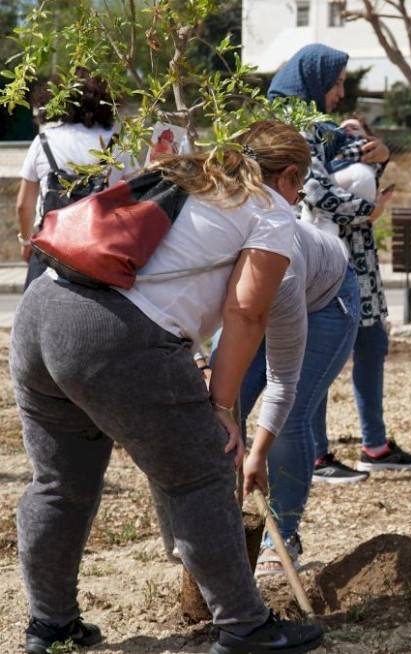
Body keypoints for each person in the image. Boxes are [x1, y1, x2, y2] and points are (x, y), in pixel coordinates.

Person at [10, 120, 324, 654]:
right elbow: (246, 311)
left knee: (59, 483)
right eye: (299, 184)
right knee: (201, 474)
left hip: (41, 310)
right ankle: (246, 627)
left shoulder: (188, 174)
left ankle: (51, 627)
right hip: (115, 333)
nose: (296, 195)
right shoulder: (270, 208)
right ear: (290, 174)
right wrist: (221, 406)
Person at [268, 44, 411, 482]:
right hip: (326, 260)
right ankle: (317, 455)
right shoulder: (295, 129)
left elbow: (339, 161)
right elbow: (314, 190)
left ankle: (374, 446)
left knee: (372, 342)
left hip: (356, 256)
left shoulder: (318, 126)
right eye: (335, 83)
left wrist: (375, 155)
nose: (341, 92)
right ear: (314, 81)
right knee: (319, 352)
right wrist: (369, 211)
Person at [217, 220, 360, 574]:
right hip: (253, 304)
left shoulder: (283, 275)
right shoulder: (201, 260)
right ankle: (216, 531)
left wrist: (259, 454)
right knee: (220, 411)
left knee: (292, 419)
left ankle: (282, 536)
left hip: (326, 301)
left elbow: (283, 381)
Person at [15, 68, 135, 290]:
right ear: (105, 103)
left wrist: (25, 242)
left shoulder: (43, 141)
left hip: (48, 251)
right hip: (100, 254)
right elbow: (135, 200)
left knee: (32, 317)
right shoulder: (117, 144)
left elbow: (24, 205)